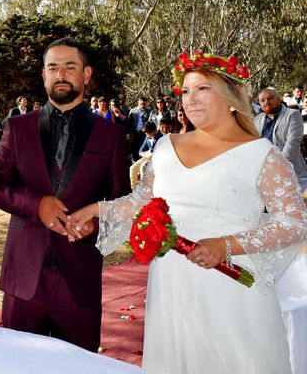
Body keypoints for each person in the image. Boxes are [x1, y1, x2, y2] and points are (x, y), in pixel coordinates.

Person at [69, 51, 307, 374]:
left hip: (230, 288)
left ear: (231, 96)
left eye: (202, 89)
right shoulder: (166, 146)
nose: (190, 100)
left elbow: (294, 223)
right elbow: (141, 200)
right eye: (185, 91)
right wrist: (96, 210)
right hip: (171, 287)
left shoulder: (263, 156)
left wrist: (225, 245)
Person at [0, 37, 130, 352]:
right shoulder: (17, 128)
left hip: (79, 280)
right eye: (53, 67)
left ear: (86, 74)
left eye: (70, 66)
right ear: (44, 76)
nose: (61, 74)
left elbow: (122, 202)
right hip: (24, 282)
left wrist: (96, 225)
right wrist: (36, 205)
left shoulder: (113, 136)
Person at [255, 87, 307, 190]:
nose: (266, 102)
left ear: (278, 99)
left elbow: (292, 143)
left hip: (292, 172)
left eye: (270, 98)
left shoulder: (292, 115)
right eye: (262, 100)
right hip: (265, 174)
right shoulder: (258, 119)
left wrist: (277, 167)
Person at [128, 96, 152, 161]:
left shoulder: (149, 111)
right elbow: (129, 123)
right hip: (135, 133)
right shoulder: (133, 111)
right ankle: (135, 163)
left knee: (144, 149)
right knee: (135, 149)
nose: (143, 106)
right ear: (138, 103)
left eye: (144, 104)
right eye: (142, 104)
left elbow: (150, 122)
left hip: (144, 133)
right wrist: (131, 133)